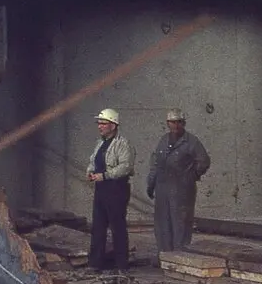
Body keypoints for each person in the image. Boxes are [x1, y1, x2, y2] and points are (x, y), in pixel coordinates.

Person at [147, 108, 210, 251]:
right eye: (172, 122)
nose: (175, 125)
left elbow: (204, 161)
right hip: (162, 189)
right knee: (163, 225)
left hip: (182, 191)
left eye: (179, 122)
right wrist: (151, 184)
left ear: (184, 123)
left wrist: (190, 177)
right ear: (167, 123)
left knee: (181, 224)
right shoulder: (163, 140)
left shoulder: (191, 142)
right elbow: (156, 163)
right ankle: (165, 257)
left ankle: (180, 256)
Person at [86, 108, 135, 272]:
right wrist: (90, 171)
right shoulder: (100, 143)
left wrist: (105, 175)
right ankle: (95, 264)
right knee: (98, 227)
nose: (99, 126)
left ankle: (121, 265)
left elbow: (126, 167)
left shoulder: (123, 144)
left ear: (113, 126)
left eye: (103, 123)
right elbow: (93, 160)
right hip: (101, 189)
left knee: (117, 227)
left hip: (116, 189)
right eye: (99, 123)